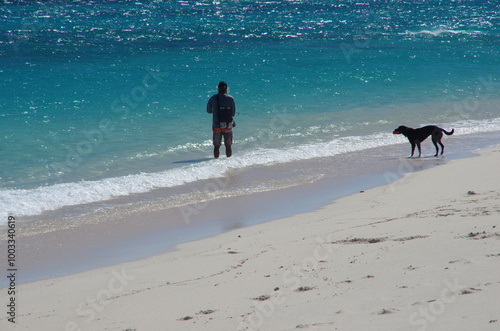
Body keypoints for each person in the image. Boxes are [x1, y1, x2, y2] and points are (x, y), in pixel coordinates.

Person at [206, 81, 236, 158]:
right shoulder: (230, 99)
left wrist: (215, 110)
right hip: (228, 125)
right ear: (227, 89)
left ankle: (216, 163)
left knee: (216, 146)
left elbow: (208, 111)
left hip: (216, 125)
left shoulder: (213, 98)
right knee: (228, 145)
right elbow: (233, 113)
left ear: (218, 88)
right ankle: (228, 162)